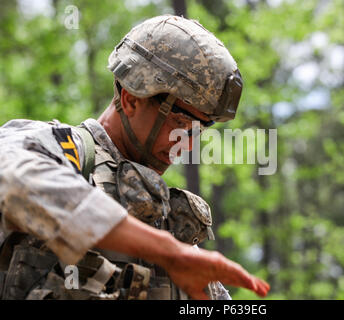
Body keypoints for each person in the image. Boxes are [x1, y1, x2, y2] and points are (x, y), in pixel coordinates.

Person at [0, 15, 269, 300]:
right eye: (182, 122)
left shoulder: (168, 225)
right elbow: (12, 179)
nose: (187, 144)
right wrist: (167, 251)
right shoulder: (62, 150)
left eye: (200, 129)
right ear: (131, 99)